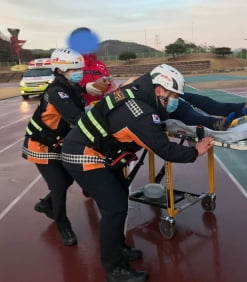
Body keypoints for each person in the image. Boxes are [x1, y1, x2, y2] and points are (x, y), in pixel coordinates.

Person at [61, 64, 214, 282]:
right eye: (173, 95)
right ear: (159, 90)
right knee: (114, 209)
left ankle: (119, 249)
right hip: (84, 155)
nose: (176, 100)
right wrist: (194, 151)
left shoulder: (136, 91)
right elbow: (165, 149)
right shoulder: (141, 112)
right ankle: (114, 269)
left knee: (119, 199)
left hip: (96, 150)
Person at [22, 48, 86, 246]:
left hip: (56, 143)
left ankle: (46, 204)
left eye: (80, 69)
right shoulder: (57, 93)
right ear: (60, 70)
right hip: (40, 145)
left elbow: (79, 99)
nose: (79, 73)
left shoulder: (68, 87)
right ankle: (63, 226)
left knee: (67, 179)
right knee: (59, 185)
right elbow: (78, 118)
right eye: (74, 70)